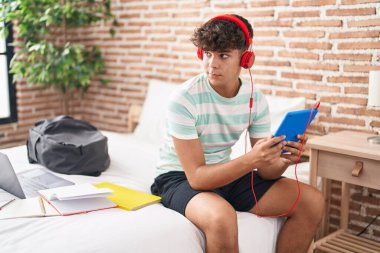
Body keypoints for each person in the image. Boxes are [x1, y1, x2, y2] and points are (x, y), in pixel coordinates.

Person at [151, 14, 324, 253]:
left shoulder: (256, 99)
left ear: (245, 59)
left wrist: (282, 160)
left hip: (225, 174)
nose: (212, 64)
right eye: (208, 54)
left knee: (312, 201)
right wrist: (252, 159)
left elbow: (266, 171)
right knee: (221, 218)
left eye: (223, 55)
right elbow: (198, 179)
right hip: (179, 178)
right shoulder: (184, 98)